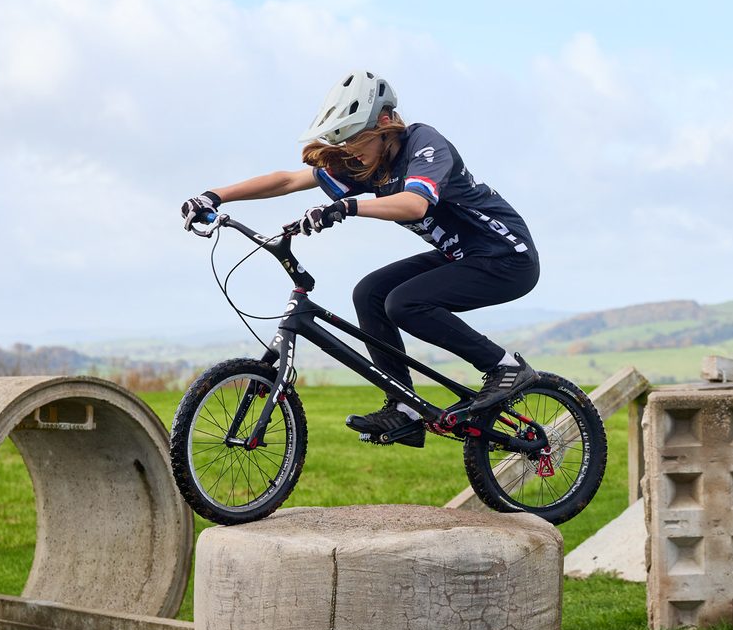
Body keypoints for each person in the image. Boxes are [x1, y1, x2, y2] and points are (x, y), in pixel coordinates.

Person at [180, 69, 540, 447]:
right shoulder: (369, 163)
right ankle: (405, 408)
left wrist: (349, 206)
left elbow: (416, 204)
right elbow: (287, 180)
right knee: (368, 292)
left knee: (404, 303)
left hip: (507, 256)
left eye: (357, 139)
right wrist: (215, 195)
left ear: (386, 123)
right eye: (345, 142)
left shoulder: (425, 143)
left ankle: (505, 367)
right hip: (462, 256)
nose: (351, 150)